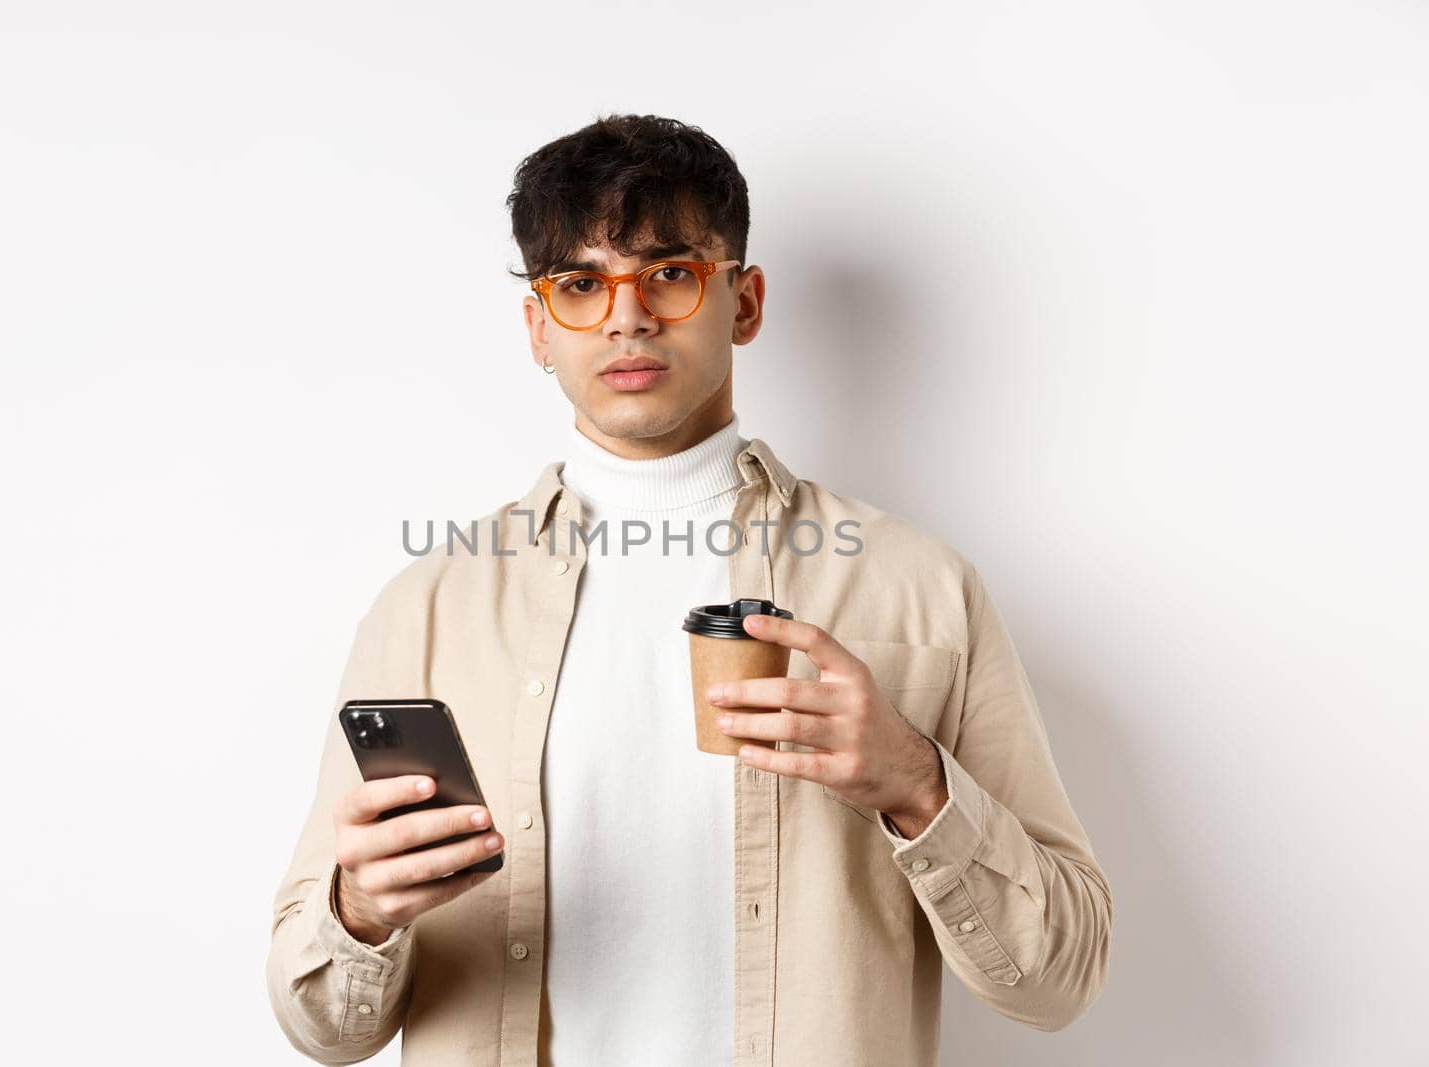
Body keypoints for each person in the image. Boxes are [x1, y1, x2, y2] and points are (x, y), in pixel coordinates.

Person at [265, 113, 1112, 1067]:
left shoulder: (921, 586)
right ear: (539, 328)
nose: (626, 317)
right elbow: (321, 1030)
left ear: (743, 302)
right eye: (581, 285)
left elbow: (1059, 979)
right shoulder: (426, 609)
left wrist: (915, 783)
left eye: (669, 273)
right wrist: (363, 908)